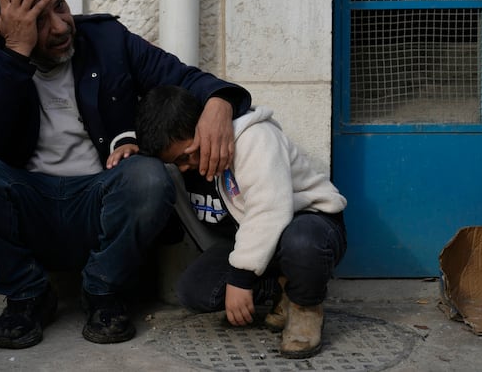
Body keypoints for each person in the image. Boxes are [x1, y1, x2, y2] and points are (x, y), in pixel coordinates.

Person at [0, 0, 251, 349]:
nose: (61, 26)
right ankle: (27, 295)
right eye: (37, 19)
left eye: (61, 7)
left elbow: (184, 78)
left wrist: (219, 103)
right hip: (29, 204)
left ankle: (104, 291)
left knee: (149, 176)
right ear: (1, 20)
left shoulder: (106, 40)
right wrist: (15, 53)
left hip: (101, 199)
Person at [135, 85, 347, 359]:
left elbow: (269, 210)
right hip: (258, 239)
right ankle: (283, 288)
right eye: (177, 162)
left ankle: (305, 306)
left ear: (203, 126)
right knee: (195, 291)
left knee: (302, 242)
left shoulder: (254, 138)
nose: (186, 166)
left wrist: (241, 278)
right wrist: (128, 145)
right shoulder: (185, 155)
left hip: (313, 224)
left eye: (187, 155)